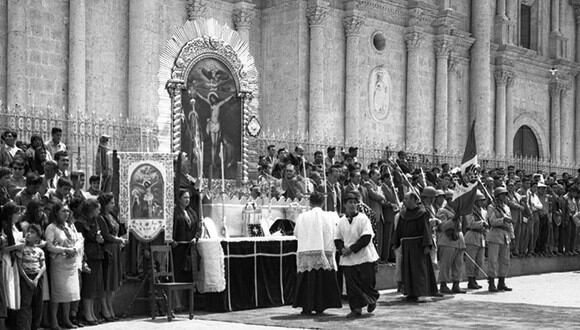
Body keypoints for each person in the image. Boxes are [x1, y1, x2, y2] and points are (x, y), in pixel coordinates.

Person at [293, 191, 342, 315]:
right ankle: (321, 305)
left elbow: (296, 233)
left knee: (307, 279)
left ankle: (306, 306)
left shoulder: (302, 216)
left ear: (310, 202)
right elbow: (336, 232)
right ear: (323, 202)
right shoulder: (330, 216)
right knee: (322, 278)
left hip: (307, 252)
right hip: (325, 252)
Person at [335, 191, 379, 318]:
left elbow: (366, 237)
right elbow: (337, 238)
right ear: (344, 204)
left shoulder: (363, 219)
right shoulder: (341, 221)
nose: (352, 205)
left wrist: (352, 249)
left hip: (364, 256)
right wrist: (341, 249)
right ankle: (356, 308)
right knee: (351, 285)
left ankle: (372, 299)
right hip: (348, 259)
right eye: (350, 202)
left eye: (355, 203)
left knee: (367, 283)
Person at [393, 192, 438, 302]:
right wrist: (395, 243)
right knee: (407, 270)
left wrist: (427, 245)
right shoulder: (403, 214)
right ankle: (410, 292)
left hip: (418, 245)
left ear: (414, 200)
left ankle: (420, 292)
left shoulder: (422, 213)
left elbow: (426, 229)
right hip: (406, 246)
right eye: (404, 198)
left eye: (407, 198)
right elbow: (398, 230)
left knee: (419, 270)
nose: (404, 201)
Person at [45, 202, 81, 329]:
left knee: (69, 293)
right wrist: (64, 250)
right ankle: (54, 321)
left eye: (67, 211)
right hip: (59, 264)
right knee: (58, 293)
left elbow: (78, 240)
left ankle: (66, 320)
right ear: (56, 213)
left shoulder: (70, 225)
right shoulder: (51, 227)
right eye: (63, 211)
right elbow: (49, 246)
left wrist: (75, 249)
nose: (66, 214)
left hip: (71, 263)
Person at [74, 199, 104, 325]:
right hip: (88, 255)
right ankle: (87, 313)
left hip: (97, 254)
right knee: (88, 286)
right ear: (91, 209)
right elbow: (81, 241)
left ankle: (91, 312)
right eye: (97, 208)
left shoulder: (95, 221)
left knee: (93, 286)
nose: (99, 211)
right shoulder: (80, 223)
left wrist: (99, 239)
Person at [97, 193, 126, 321]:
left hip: (116, 249)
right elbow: (106, 235)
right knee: (107, 280)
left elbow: (119, 229)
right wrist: (118, 240)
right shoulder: (101, 217)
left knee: (113, 280)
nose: (113, 205)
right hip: (108, 249)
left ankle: (110, 306)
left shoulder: (112, 216)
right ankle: (105, 308)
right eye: (111, 203)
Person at [172, 190, 200, 311]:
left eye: (188, 198)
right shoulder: (175, 213)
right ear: (179, 199)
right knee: (178, 274)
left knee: (188, 275)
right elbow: (171, 228)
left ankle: (188, 303)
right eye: (184, 198)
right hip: (178, 248)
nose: (187, 200)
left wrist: (196, 238)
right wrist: (172, 240)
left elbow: (198, 228)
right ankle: (177, 303)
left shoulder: (192, 212)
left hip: (189, 248)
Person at [16, 224, 46, 330]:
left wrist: (37, 278)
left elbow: (43, 266)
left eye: (32, 232)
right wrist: (28, 280)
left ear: (38, 237)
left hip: (37, 278)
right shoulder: (21, 249)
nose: (28, 234)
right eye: (28, 231)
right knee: (25, 304)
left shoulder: (39, 251)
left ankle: (35, 326)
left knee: (38, 304)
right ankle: (24, 327)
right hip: (26, 278)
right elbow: (19, 266)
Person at [436, 191, 466, 294]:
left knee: (458, 264)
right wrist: (453, 220)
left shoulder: (457, 211)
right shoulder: (442, 211)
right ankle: (443, 284)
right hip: (447, 240)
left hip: (458, 239)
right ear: (448, 200)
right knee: (446, 264)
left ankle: (456, 284)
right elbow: (442, 226)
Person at [486, 187, 513, 292]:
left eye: (505, 194)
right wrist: (503, 219)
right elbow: (492, 221)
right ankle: (491, 282)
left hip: (505, 235)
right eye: (502, 194)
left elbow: (510, 223)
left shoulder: (506, 207)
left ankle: (502, 282)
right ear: (497, 196)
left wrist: (512, 235)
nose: (504, 196)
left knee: (505, 261)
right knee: (493, 260)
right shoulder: (491, 207)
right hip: (495, 234)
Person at [464, 191, 488, 289]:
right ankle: (470, 280)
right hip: (472, 235)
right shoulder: (470, 211)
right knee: (471, 261)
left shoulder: (484, 211)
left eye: (482, 200)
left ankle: (475, 278)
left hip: (481, 235)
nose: (482, 202)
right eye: (479, 200)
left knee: (480, 261)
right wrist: (481, 223)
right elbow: (470, 223)